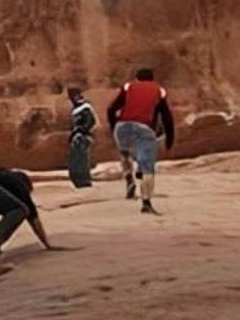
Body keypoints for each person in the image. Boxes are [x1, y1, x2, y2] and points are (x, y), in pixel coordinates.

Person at [106, 67, 176, 215]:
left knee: (125, 153)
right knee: (148, 169)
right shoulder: (159, 90)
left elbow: (111, 109)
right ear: (153, 79)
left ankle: (129, 177)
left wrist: (114, 127)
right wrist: (170, 139)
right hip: (144, 128)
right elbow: (166, 117)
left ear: (137, 78)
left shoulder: (128, 87)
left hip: (122, 127)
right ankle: (146, 203)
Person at [66, 88, 98, 188]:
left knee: (81, 159)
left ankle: (84, 181)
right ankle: (79, 180)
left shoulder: (85, 107)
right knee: (76, 160)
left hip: (83, 137)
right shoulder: (76, 109)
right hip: (77, 137)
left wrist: (81, 131)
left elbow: (90, 121)